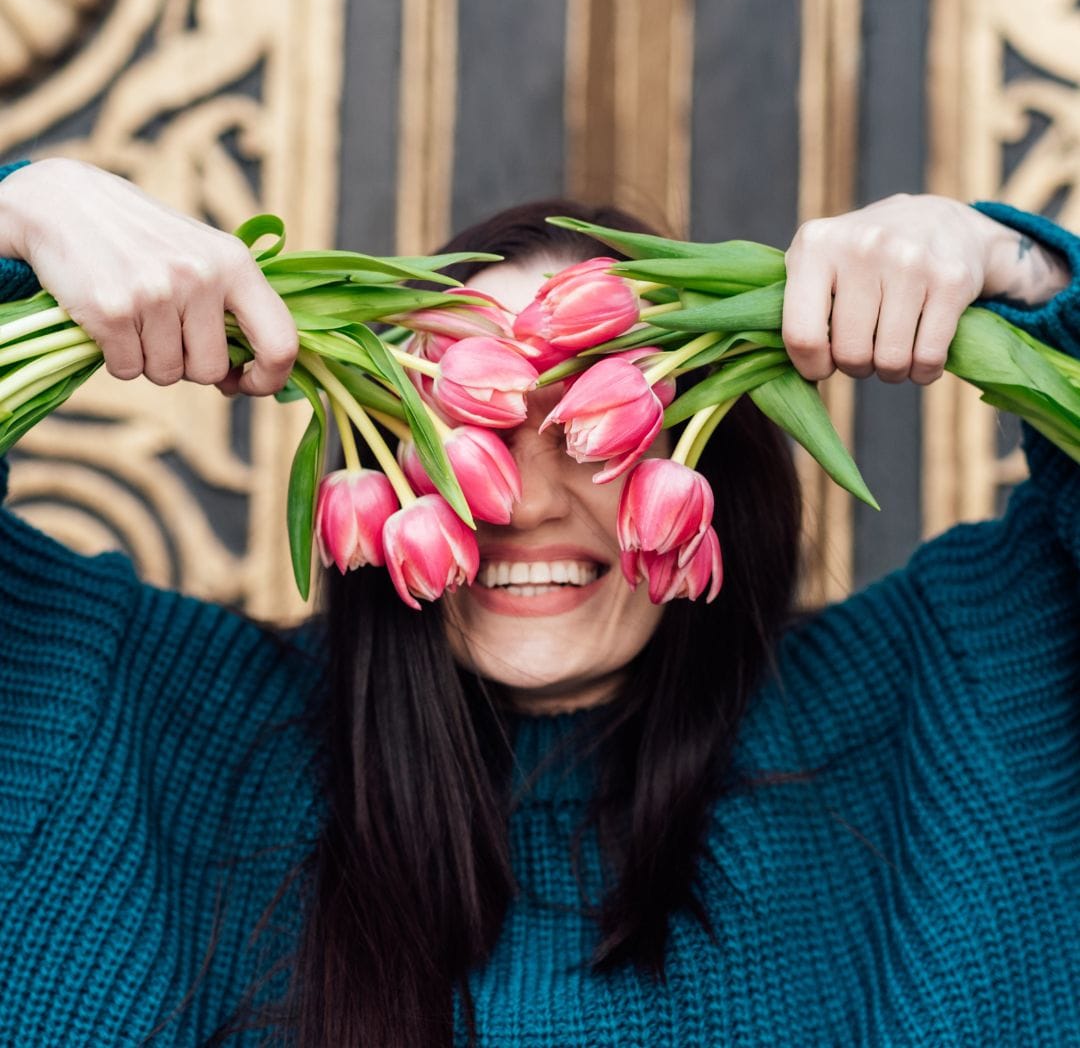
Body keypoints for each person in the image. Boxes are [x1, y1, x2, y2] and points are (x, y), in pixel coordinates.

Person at [0, 156, 1077, 1047]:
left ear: (714, 477)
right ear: (369, 468)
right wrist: (26, 217)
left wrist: (1018, 273)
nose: (518, 501)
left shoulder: (963, 699)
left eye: (593, 425)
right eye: (455, 427)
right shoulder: (126, 717)